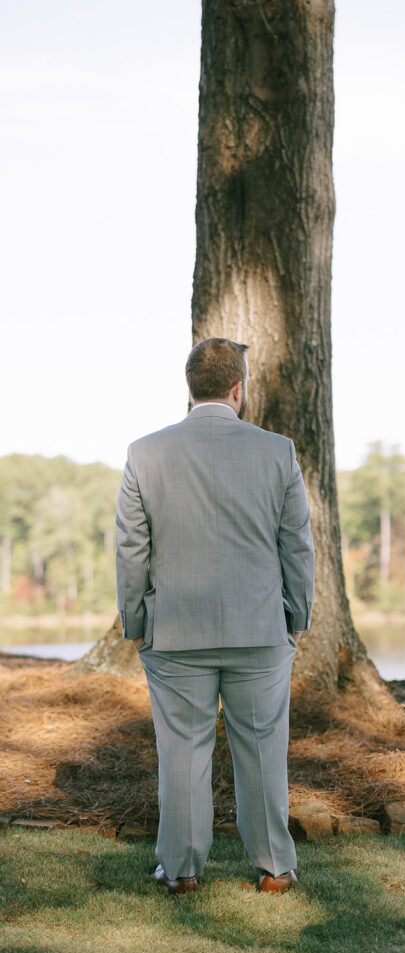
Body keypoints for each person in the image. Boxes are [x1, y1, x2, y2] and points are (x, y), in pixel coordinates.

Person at [115, 337, 315, 895]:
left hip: (175, 632)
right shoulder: (279, 451)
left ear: (190, 388)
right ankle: (275, 868)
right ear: (238, 388)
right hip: (260, 630)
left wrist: (135, 622)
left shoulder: (144, 453)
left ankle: (180, 871)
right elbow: (295, 545)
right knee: (263, 750)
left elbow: (132, 549)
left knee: (181, 752)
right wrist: (298, 614)